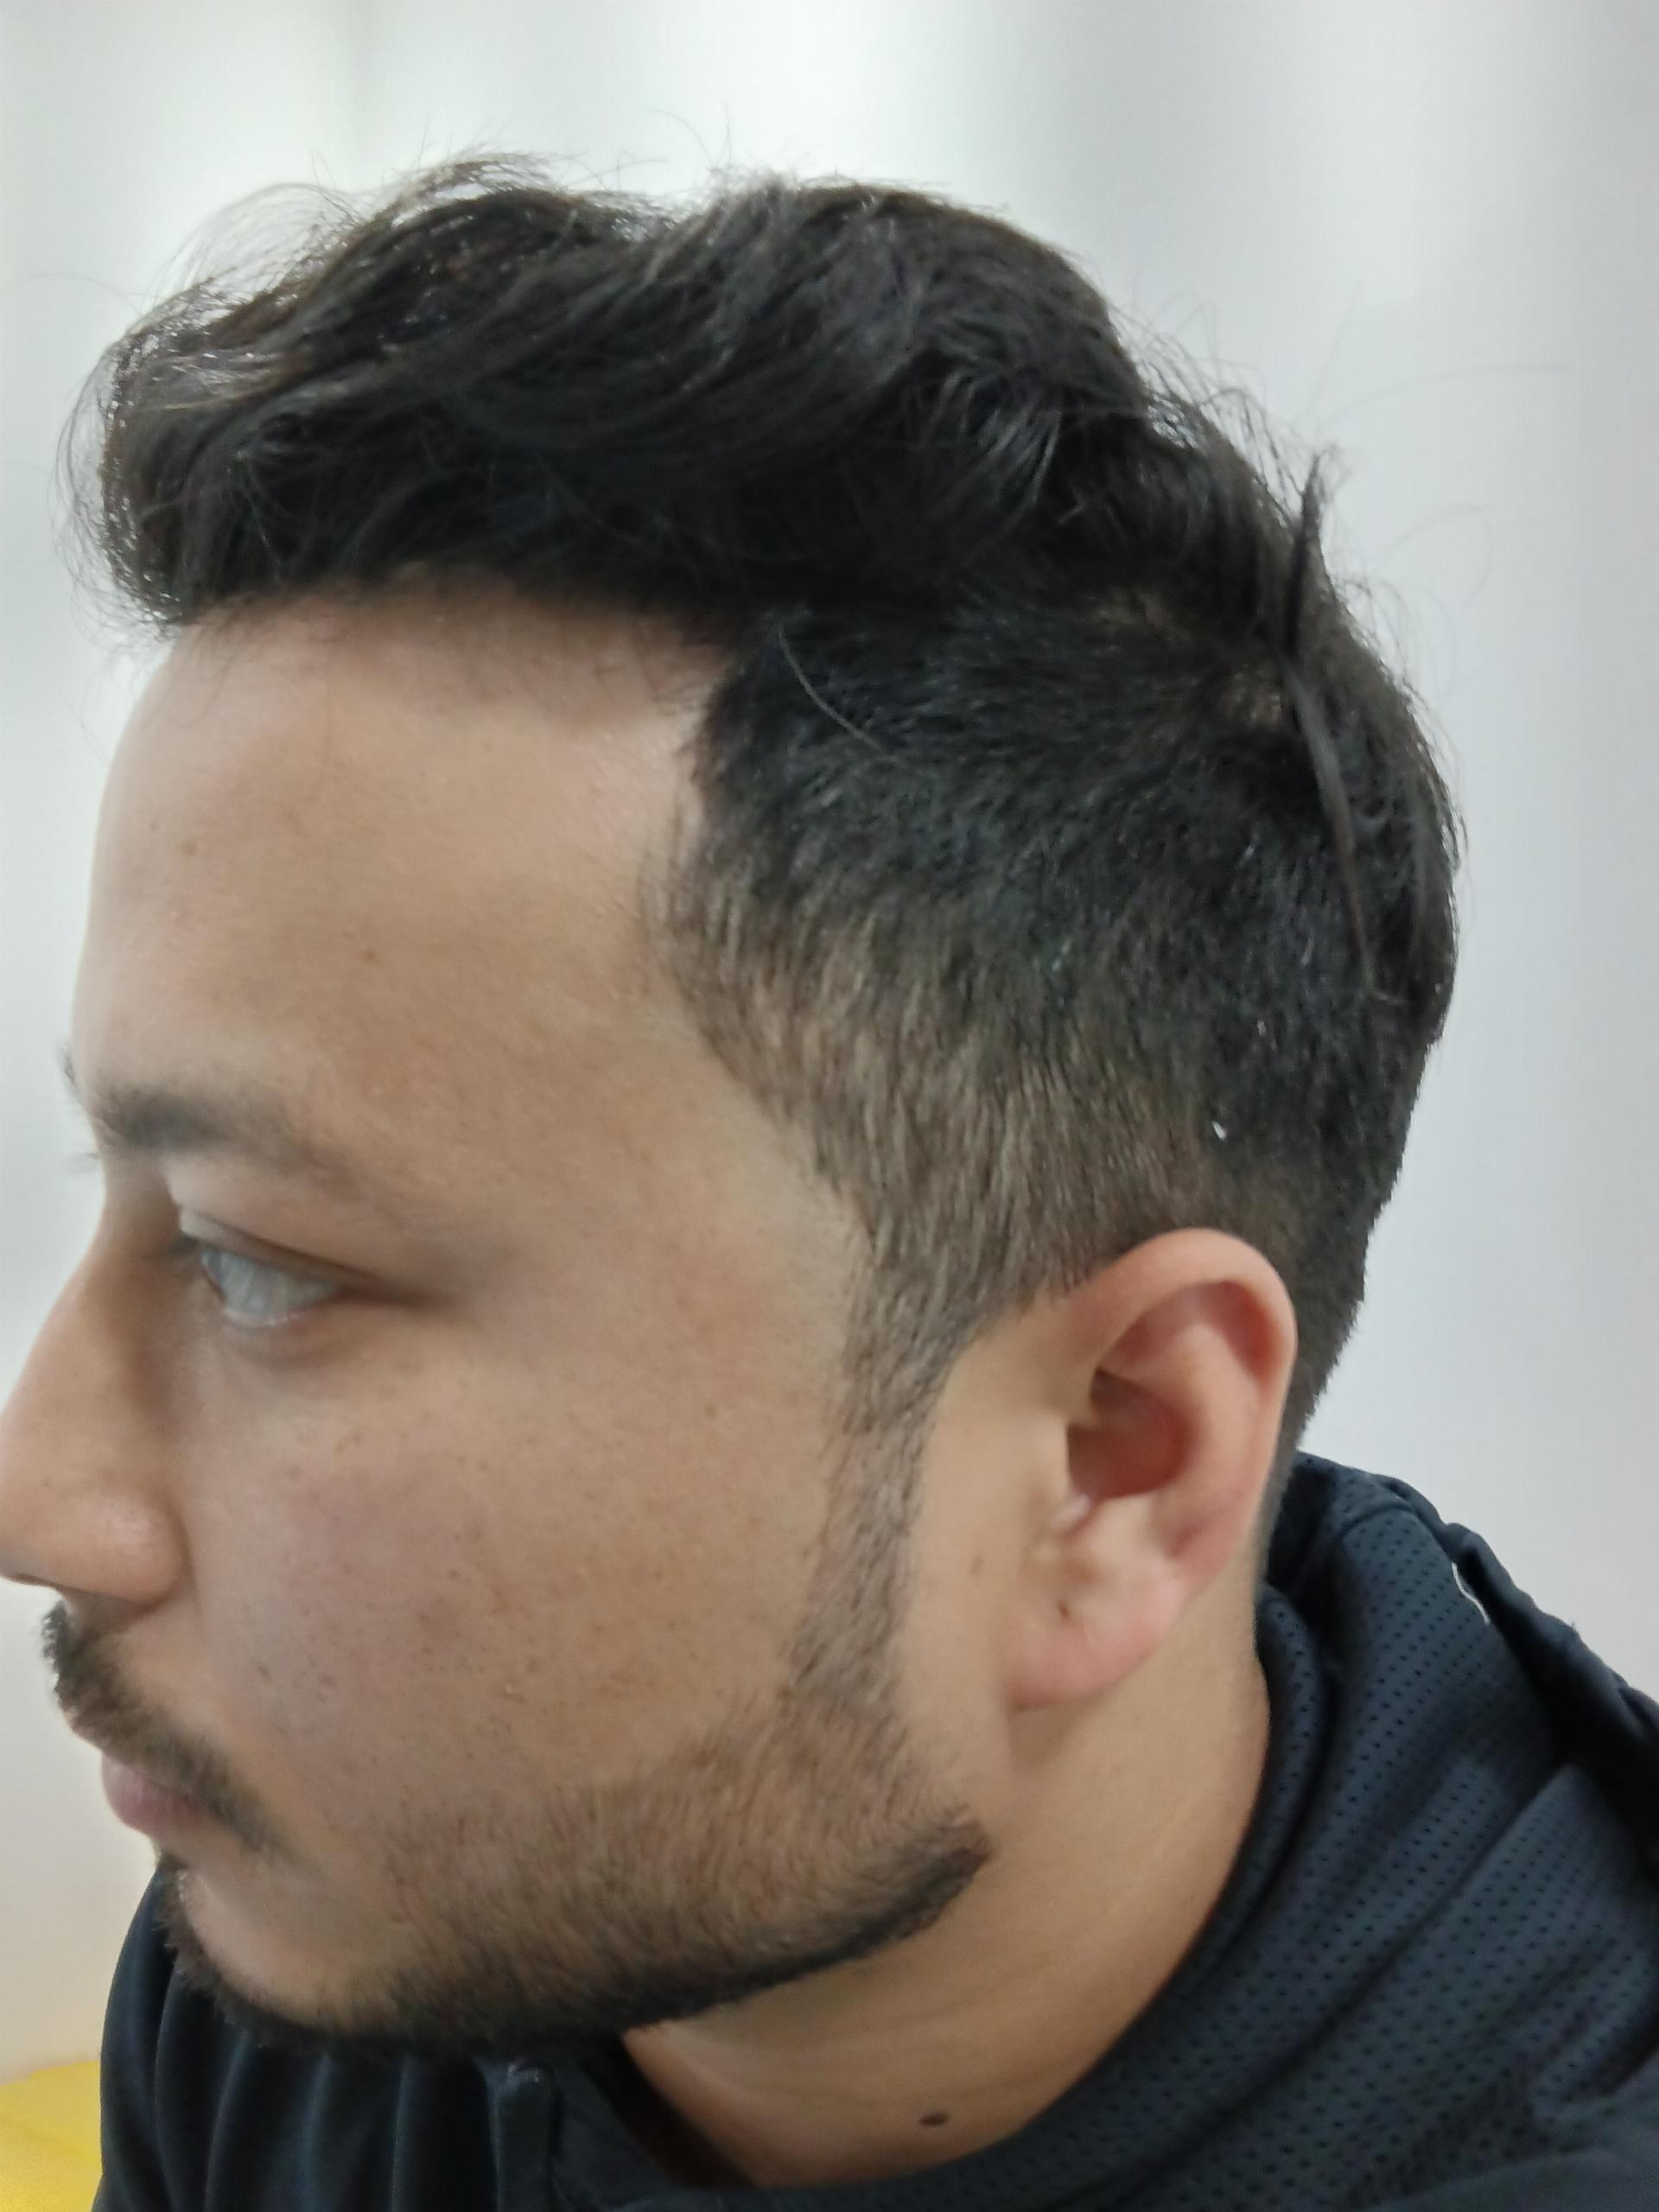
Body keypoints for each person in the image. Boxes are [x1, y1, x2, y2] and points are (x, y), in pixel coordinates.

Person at [1, 157, 1655, 2212]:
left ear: (1118, 1449)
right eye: (126, 1189)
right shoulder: (321, 1950)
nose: (38, 1495)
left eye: (265, 1265)